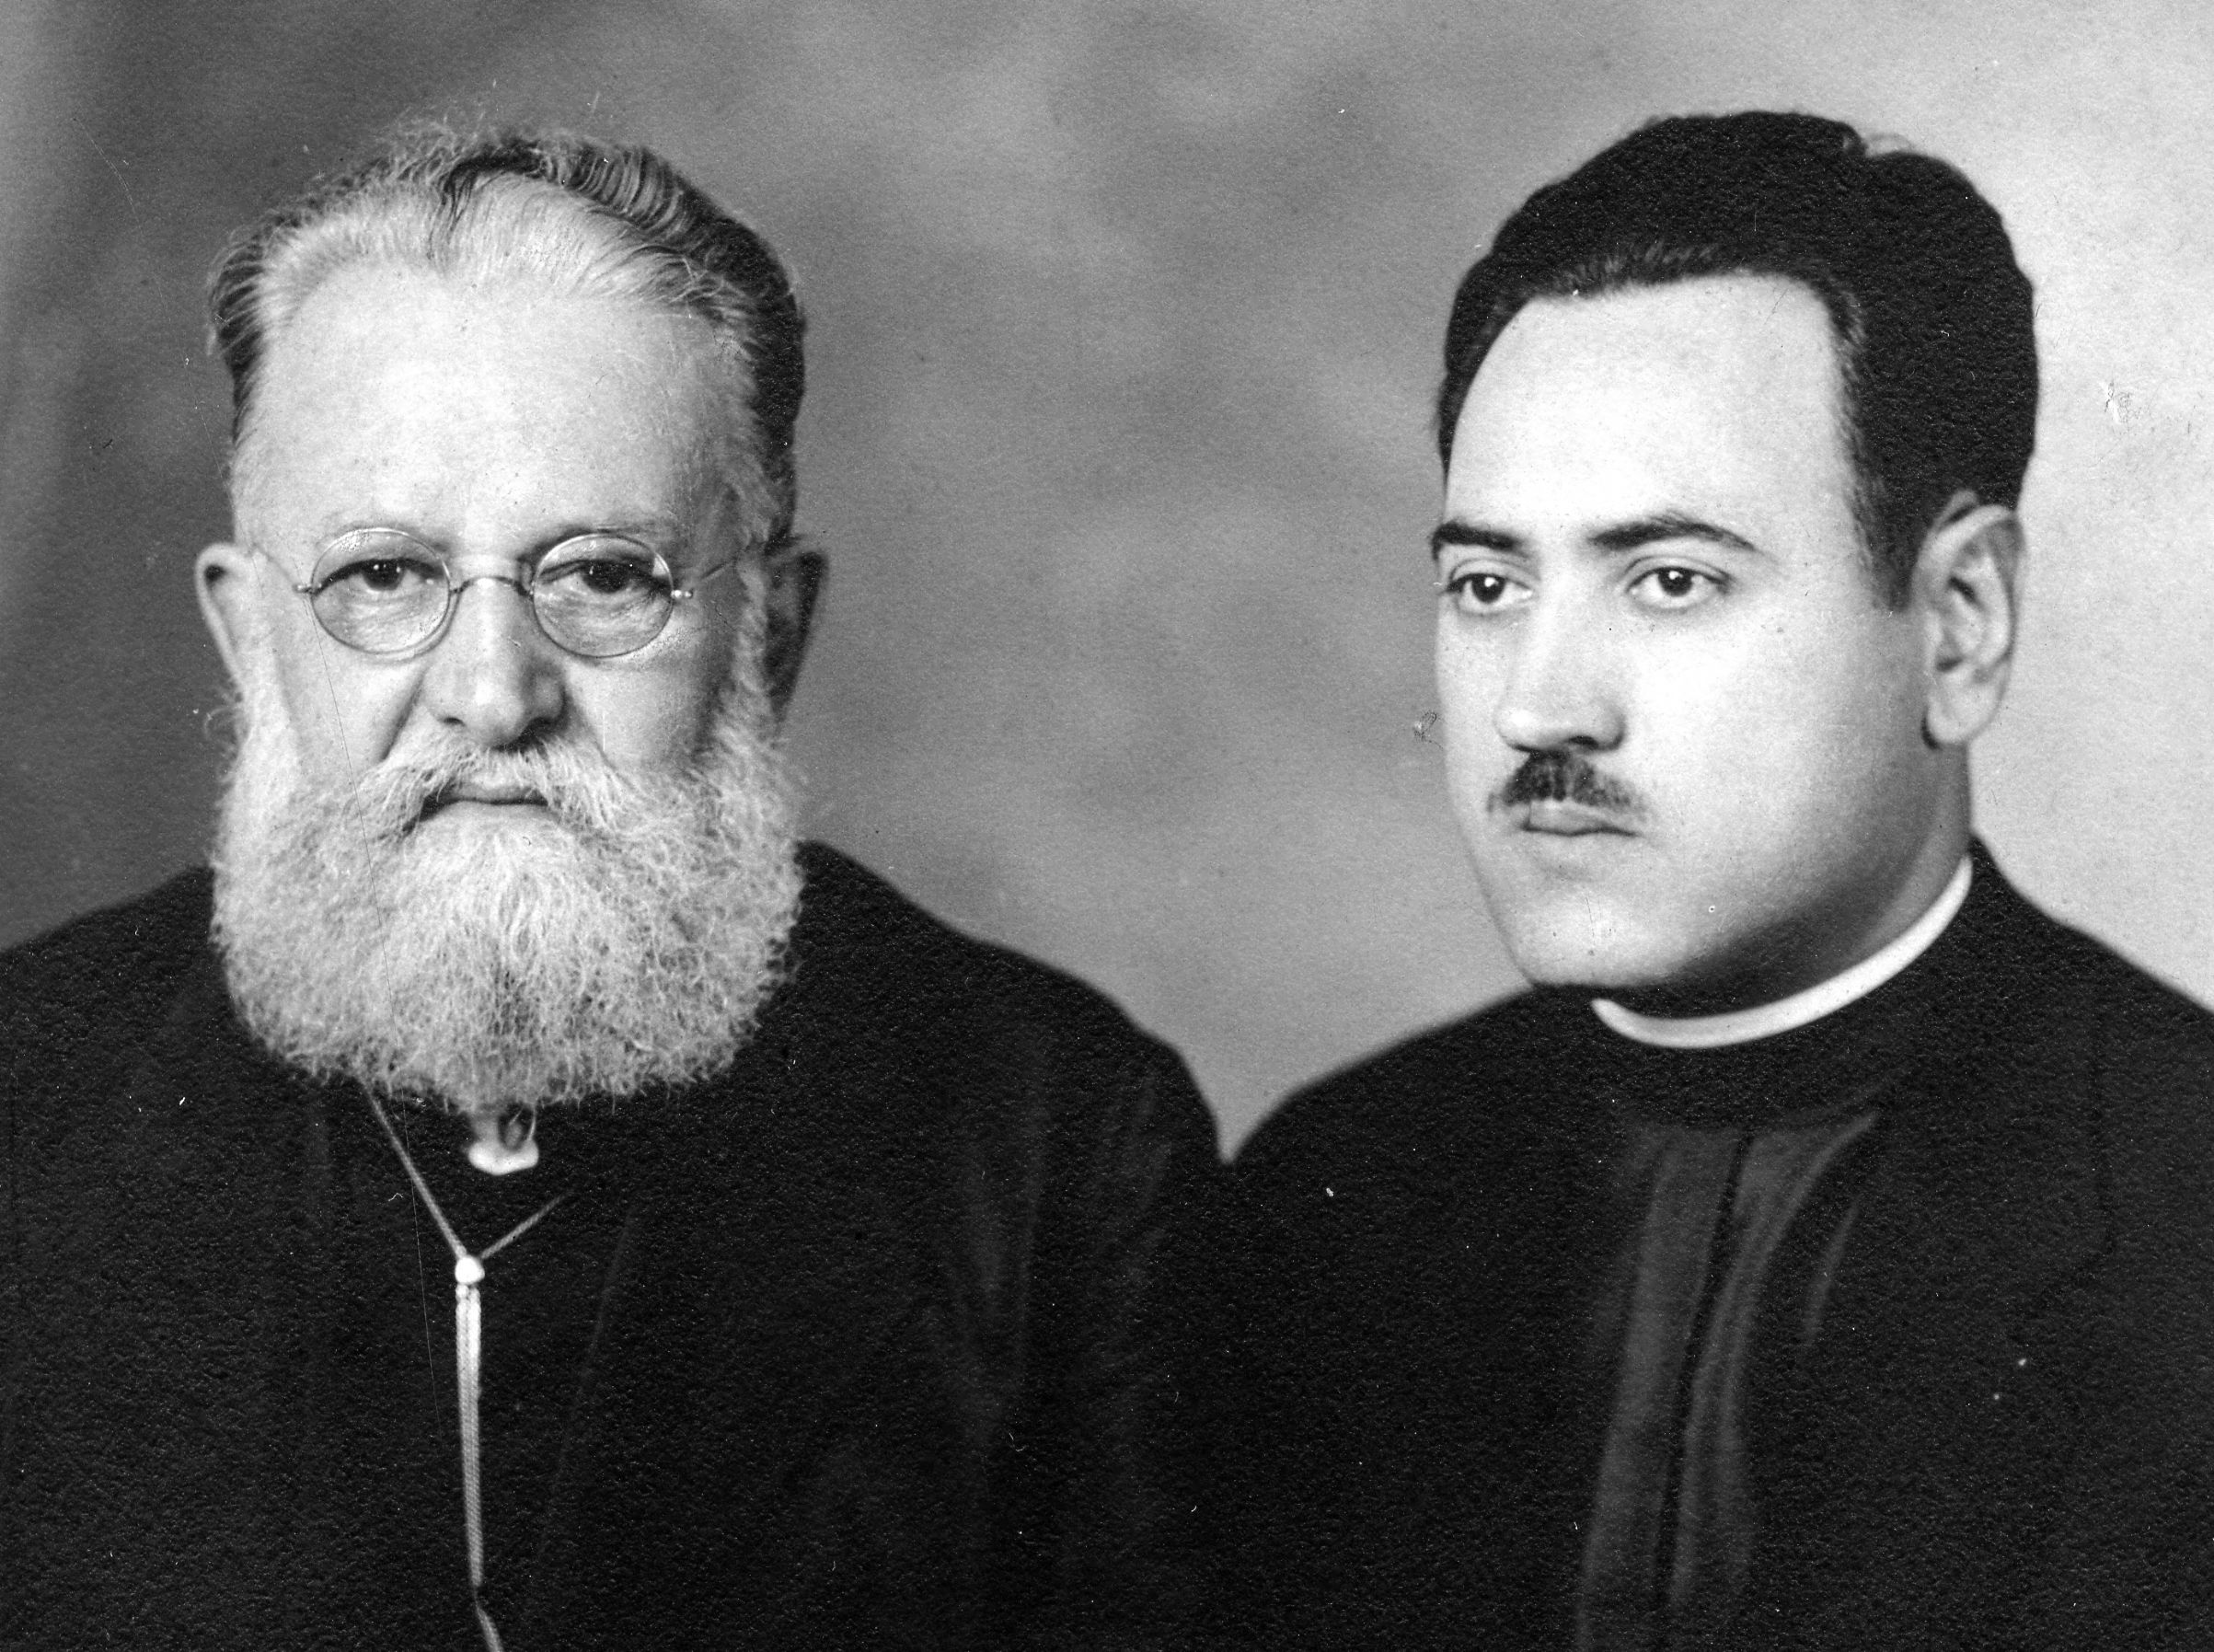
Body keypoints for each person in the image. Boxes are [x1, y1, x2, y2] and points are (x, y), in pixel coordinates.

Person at [0, 126, 1217, 1651]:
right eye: (383, 576)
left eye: (600, 576)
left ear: (769, 633)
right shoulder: (22, 1099)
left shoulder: (1060, 1144)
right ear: (252, 640)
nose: (493, 693)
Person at [1202, 112, 2214, 1648]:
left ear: (1958, 623)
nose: (1539, 705)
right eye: (1486, 584)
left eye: (1669, 580)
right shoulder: (1328, 1193)